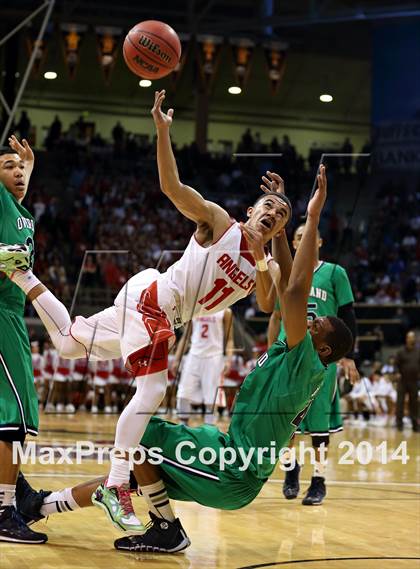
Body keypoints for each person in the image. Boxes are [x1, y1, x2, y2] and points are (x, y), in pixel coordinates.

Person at [17, 165, 352, 554]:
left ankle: (156, 520)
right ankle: (41, 505)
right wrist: (280, 222)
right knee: (129, 419)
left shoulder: (304, 362)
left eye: (317, 324)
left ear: (323, 350)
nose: (309, 320)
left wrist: (310, 217)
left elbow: (294, 288)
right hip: (219, 437)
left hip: (232, 471)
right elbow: (284, 290)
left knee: (140, 425)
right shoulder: (287, 349)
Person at [0, 90, 291, 533]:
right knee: (153, 392)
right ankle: (116, 485)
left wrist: (272, 256)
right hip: (155, 296)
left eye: (282, 215)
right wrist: (161, 131)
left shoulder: (262, 269)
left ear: (281, 229)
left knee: (67, 343)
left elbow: (270, 304)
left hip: (156, 314)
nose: (272, 214)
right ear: (251, 209)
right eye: (268, 206)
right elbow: (171, 188)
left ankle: (21, 275)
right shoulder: (218, 222)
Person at [268, 222, 359, 505]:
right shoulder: (287, 275)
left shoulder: (334, 273)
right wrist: (272, 353)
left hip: (322, 357)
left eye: (308, 235)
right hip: (290, 355)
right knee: (287, 423)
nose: (302, 239)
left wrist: (350, 356)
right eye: (297, 236)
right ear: (295, 243)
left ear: (317, 241)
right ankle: (291, 471)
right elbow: (276, 317)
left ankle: (318, 480)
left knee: (319, 424)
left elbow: (347, 315)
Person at [0, 136, 47, 543]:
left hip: (13, 316)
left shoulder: (20, 212)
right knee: (15, 419)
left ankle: (16, 490)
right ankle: (3, 511)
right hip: (1, 316)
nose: (18, 172)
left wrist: (27, 167)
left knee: (9, 416)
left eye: (21, 166)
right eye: (8, 167)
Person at [174, 308, 234, 425]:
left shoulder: (225, 311)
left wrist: (228, 360)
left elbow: (230, 339)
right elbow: (186, 337)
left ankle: (209, 430)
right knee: (183, 394)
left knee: (212, 399)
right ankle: (182, 426)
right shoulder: (195, 308)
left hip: (214, 357)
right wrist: (177, 358)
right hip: (194, 355)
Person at [395, 330, 419, 432]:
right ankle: (399, 424)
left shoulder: (418, 352)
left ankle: (415, 424)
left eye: (413, 337)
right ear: (406, 339)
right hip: (403, 381)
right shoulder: (401, 352)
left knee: (414, 403)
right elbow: (396, 365)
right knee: (400, 402)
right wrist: (397, 372)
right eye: (409, 337)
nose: (411, 339)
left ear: (415, 339)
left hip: (414, 381)